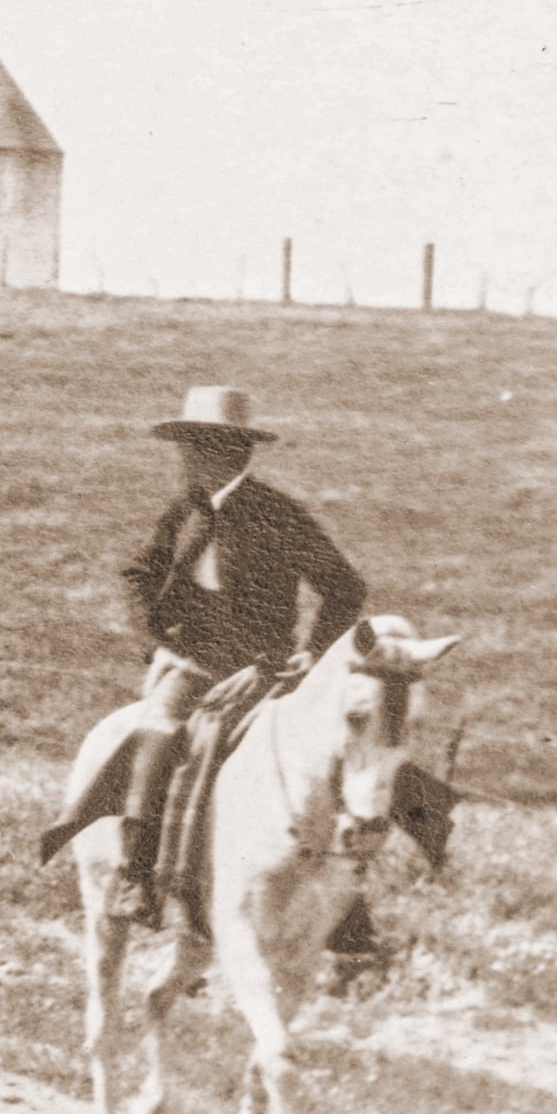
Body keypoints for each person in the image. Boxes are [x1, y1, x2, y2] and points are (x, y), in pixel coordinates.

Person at [109, 385, 371, 927]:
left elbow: (344, 587)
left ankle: (346, 908)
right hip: (193, 663)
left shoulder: (278, 514)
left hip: (260, 668)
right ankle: (137, 877)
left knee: (316, 757)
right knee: (159, 726)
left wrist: (313, 654)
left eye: (191, 447)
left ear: (224, 453)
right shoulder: (184, 512)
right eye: (184, 446)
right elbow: (139, 573)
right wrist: (156, 641)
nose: (182, 459)